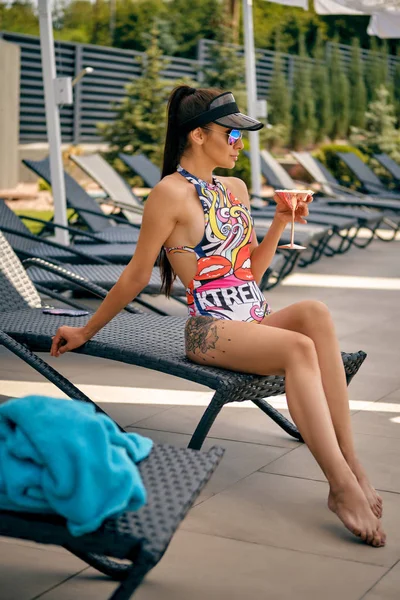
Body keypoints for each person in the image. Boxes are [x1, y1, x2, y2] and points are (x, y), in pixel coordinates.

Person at [51, 85, 385, 547]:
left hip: (252, 315)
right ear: (197, 135)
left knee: (315, 313)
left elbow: (248, 271)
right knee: (298, 348)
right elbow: (134, 275)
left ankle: (353, 464)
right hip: (209, 328)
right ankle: (341, 485)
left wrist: (282, 225)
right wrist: (85, 329)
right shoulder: (169, 194)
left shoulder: (236, 189)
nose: (238, 144)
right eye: (231, 135)